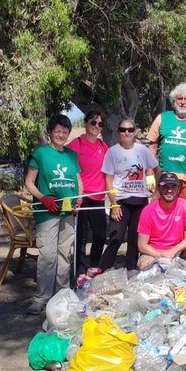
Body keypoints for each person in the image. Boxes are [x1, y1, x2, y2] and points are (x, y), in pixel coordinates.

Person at [23, 113, 83, 314]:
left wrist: (79, 199)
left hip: (68, 211)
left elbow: (78, 181)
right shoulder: (40, 153)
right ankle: (42, 298)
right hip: (47, 211)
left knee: (65, 254)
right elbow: (29, 182)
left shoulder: (71, 155)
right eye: (57, 131)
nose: (61, 134)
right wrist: (43, 198)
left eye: (64, 131)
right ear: (50, 132)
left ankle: (62, 295)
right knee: (48, 256)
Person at [98, 119, 159, 273]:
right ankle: (101, 271)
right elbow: (108, 180)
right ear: (118, 132)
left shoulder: (142, 150)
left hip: (140, 201)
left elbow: (157, 170)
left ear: (134, 131)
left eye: (130, 130)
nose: (127, 133)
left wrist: (156, 194)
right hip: (121, 202)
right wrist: (114, 204)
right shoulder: (112, 152)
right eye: (123, 129)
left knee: (134, 241)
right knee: (115, 238)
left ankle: (131, 272)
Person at [67, 109, 108, 278]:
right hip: (81, 198)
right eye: (93, 122)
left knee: (100, 235)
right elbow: (68, 170)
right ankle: (80, 271)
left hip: (98, 197)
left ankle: (93, 266)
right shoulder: (76, 144)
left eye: (100, 124)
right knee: (81, 237)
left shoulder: (103, 146)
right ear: (85, 124)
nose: (96, 126)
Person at [137, 171, 186, 269]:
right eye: (165, 186)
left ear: (178, 189)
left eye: (173, 186)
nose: (169, 190)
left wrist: (173, 251)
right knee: (144, 264)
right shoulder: (148, 211)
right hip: (153, 252)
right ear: (159, 188)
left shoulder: (185, 205)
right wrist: (160, 255)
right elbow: (141, 245)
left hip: (177, 250)